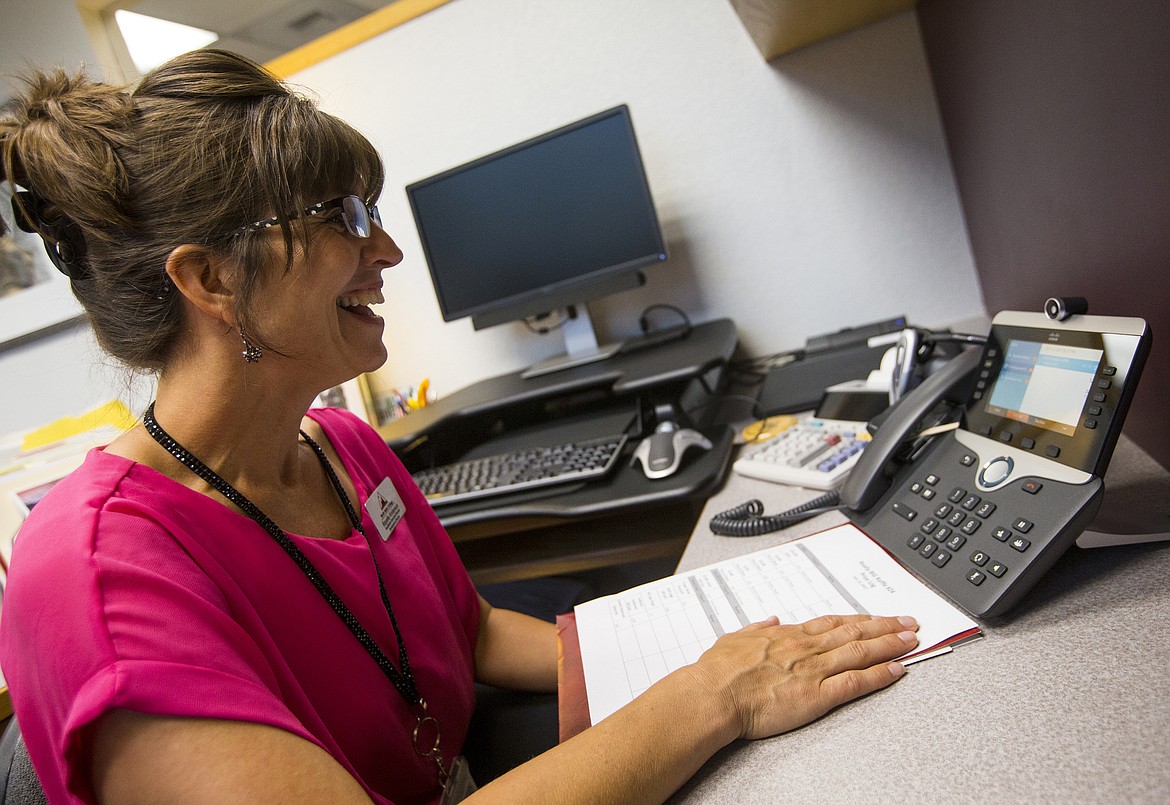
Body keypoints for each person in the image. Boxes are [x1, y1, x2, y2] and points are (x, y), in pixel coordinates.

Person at [0, 49, 919, 805]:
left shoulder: (346, 449)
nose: (388, 250)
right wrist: (709, 693)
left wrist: (699, 642)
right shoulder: (94, 573)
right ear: (210, 281)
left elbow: (469, 632)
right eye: (342, 218)